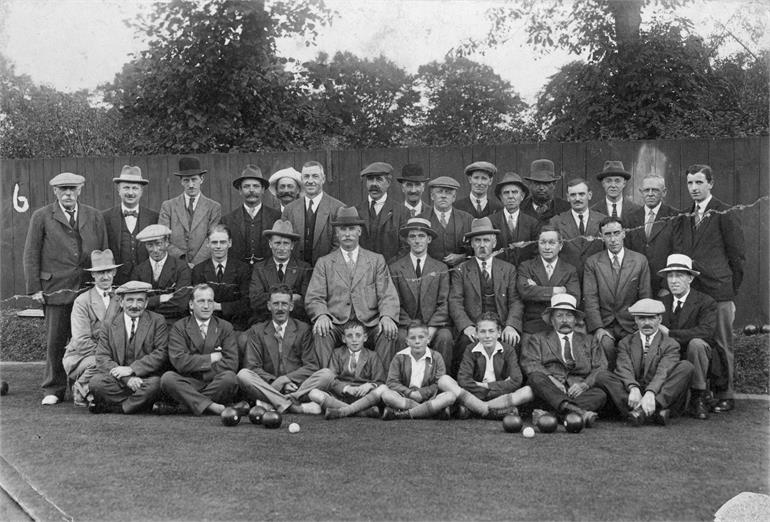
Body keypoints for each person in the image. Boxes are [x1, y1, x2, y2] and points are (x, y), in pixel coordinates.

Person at [23, 171, 108, 405]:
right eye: (63, 190)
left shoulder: (94, 216)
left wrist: (104, 283)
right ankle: (53, 388)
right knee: (56, 340)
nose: (68, 193)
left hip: (87, 287)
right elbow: (31, 253)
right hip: (55, 288)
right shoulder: (41, 216)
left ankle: (82, 385)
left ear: (80, 190)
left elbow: (103, 251)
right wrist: (35, 288)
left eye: (73, 189)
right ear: (55, 192)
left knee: (86, 338)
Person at [672, 164, 745, 413]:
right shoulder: (684, 216)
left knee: (723, 343)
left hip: (720, 290)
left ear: (711, 184)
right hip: (695, 290)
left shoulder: (725, 212)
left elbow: (737, 256)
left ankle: (727, 394)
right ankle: (703, 393)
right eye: (690, 183)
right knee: (699, 341)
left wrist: (729, 289)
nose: (694, 188)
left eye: (699, 182)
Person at [305, 207, 400, 370]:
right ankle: (328, 381)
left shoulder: (376, 260)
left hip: (369, 323)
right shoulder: (325, 262)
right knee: (321, 331)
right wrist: (321, 315)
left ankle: (380, 384)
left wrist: (387, 316)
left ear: (359, 232)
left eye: (351, 229)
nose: (347, 234)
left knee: (387, 331)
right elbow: (314, 296)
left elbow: (387, 295)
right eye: (343, 229)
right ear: (336, 233)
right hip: (337, 322)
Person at [594, 299, 694, 426]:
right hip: (632, 394)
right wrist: (633, 388)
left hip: (658, 392)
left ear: (659, 319)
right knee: (602, 376)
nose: (647, 323)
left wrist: (651, 393)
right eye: (642, 318)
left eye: (651, 318)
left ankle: (644, 410)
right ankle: (655, 414)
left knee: (686, 367)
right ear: (635, 320)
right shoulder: (625, 342)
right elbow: (624, 368)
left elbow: (663, 372)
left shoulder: (670, 344)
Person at [449, 217, 523, 375]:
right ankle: (464, 384)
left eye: (486, 240)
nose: (482, 245)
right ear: (471, 244)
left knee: (513, 340)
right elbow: (455, 301)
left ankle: (510, 383)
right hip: (473, 325)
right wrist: (466, 326)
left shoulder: (508, 269)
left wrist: (510, 325)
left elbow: (515, 301)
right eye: (477, 240)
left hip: (501, 324)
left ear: (494, 243)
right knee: (463, 342)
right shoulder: (461, 270)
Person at [521, 294, 607, 427]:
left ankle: (549, 415)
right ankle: (576, 412)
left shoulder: (589, 340)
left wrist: (584, 385)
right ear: (552, 320)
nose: (565, 320)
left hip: (577, 392)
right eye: (559, 316)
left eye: (569, 315)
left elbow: (601, 367)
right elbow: (530, 363)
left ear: (575, 320)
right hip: (549, 391)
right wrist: (553, 380)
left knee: (600, 394)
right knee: (535, 377)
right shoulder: (538, 339)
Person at [237, 285, 324, 414]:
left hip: (296, 386)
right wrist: (275, 382)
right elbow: (252, 366)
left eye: (284, 304)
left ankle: (272, 402)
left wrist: (286, 380)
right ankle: (292, 407)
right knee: (243, 375)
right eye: (276, 304)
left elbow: (311, 365)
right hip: (269, 385)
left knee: (326, 374)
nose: (280, 308)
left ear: (291, 306)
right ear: (269, 306)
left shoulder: (303, 329)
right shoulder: (257, 330)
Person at [158, 284, 240, 415]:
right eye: (201, 301)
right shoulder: (179, 327)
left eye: (210, 301)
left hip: (215, 381)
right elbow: (180, 362)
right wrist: (211, 358)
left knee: (230, 378)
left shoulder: (225, 327)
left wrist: (202, 371)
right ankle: (211, 406)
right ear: (191, 304)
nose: (206, 306)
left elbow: (231, 363)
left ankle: (186, 406)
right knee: (168, 379)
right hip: (189, 382)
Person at [583, 216, 652, 370]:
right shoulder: (593, 262)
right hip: (605, 324)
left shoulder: (640, 260)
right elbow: (590, 298)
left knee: (633, 351)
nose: (613, 239)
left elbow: (645, 297)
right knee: (605, 345)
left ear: (624, 233)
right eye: (608, 234)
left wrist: (641, 326)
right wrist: (598, 328)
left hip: (631, 324)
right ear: (601, 237)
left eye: (616, 233)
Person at [89, 281, 168, 414]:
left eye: (139, 301)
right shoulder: (109, 324)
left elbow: (161, 353)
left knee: (156, 384)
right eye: (130, 300)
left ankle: (117, 408)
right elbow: (102, 357)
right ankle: (140, 404)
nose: (134, 305)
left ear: (146, 303)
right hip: (118, 380)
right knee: (96, 383)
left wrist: (132, 369)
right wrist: (127, 379)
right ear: (121, 302)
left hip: (144, 379)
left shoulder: (157, 321)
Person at [657, 254, 717, 420]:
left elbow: (706, 332)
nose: (674, 281)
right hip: (670, 354)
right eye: (670, 276)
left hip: (696, 355)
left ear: (690, 278)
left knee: (696, 344)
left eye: (679, 276)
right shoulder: (662, 301)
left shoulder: (706, 302)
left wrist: (670, 333)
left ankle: (698, 396)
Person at [388, 217, 453, 367]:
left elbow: (444, 303)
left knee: (445, 337)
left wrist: (431, 329)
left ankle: (441, 379)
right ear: (407, 240)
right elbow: (394, 302)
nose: (417, 241)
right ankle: (404, 379)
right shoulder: (396, 268)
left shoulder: (441, 268)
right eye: (413, 236)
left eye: (421, 236)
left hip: (433, 324)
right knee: (398, 336)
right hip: (406, 325)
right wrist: (412, 328)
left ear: (429, 239)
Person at [62, 250, 122, 406]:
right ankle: (80, 388)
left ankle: (97, 392)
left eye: (108, 271)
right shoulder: (82, 301)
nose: (105, 276)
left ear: (114, 272)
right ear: (93, 275)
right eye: (100, 272)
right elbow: (81, 340)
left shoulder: (121, 298)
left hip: (111, 353)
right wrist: (107, 356)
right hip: (83, 356)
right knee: (102, 363)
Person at [447, 312, 533, 419]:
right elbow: (463, 380)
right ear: (476, 334)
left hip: (497, 396)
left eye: (491, 331)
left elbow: (516, 380)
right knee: (445, 380)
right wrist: (498, 386)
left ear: (499, 333)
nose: (487, 336)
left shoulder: (508, 350)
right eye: (482, 332)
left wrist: (487, 386)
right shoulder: (470, 349)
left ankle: (476, 409)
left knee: (528, 391)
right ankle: (491, 411)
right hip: (474, 394)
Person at [378, 320, 457, 421]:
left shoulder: (436, 357)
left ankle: (403, 414)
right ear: (407, 341)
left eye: (421, 337)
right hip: (406, 397)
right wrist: (410, 393)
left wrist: (422, 393)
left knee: (450, 396)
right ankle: (429, 411)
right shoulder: (399, 357)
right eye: (412, 338)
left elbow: (439, 383)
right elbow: (392, 382)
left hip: (429, 398)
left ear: (428, 339)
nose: (417, 341)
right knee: (387, 395)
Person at [308, 319, 387, 419]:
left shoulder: (372, 356)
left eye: (358, 335)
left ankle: (343, 411)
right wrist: (346, 388)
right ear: (344, 339)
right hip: (342, 396)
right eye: (350, 336)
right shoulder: (337, 354)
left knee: (383, 389)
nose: (354, 339)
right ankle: (361, 412)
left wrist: (370, 385)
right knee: (313, 393)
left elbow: (380, 381)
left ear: (365, 338)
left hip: (364, 397)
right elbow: (332, 379)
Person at [517, 225, 581, 337]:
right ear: (538, 244)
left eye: (552, 243)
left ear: (560, 245)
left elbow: (574, 298)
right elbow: (525, 292)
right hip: (534, 325)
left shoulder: (570, 270)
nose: (547, 247)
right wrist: (556, 291)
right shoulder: (526, 266)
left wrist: (537, 289)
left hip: (562, 325)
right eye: (543, 242)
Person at [191, 224, 252, 341]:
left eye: (222, 242)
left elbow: (246, 303)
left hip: (236, 325)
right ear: (208, 243)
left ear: (230, 243)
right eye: (214, 242)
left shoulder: (243, 269)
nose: (218, 246)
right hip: (207, 325)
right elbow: (196, 303)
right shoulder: (198, 270)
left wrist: (219, 306)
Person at [159, 156, 222, 268]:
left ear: (202, 179)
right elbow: (162, 239)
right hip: (175, 265)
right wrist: (181, 258)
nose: (191, 185)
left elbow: (212, 238)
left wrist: (195, 263)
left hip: (203, 265)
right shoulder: (168, 206)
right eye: (186, 180)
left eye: (194, 179)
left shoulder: (214, 207)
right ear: (181, 182)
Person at [102, 165, 159, 285]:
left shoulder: (153, 217)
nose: (130, 193)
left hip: (146, 279)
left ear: (141, 191)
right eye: (126, 188)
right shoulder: (105, 217)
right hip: (116, 280)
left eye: (135, 188)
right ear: (118, 190)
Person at [281, 161, 345, 265]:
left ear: (323, 179)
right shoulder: (289, 210)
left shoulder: (338, 208)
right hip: (296, 272)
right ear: (301, 180)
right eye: (306, 176)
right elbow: (284, 243)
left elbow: (339, 245)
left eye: (315, 176)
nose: (310, 181)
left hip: (326, 271)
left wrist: (323, 268)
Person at [249, 219, 312, 324]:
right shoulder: (259, 268)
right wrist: (292, 297)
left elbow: (306, 301)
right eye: (277, 243)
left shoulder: (304, 268)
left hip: (295, 322)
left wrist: (270, 297)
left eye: (286, 243)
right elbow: (255, 301)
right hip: (265, 321)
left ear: (292, 246)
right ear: (270, 244)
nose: (281, 248)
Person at [625, 175, 679, 296]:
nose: (650, 194)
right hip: (637, 286)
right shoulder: (631, 218)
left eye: (655, 190)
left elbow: (678, 252)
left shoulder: (675, 216)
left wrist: (667, 286)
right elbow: (627, 253)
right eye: (646, 190)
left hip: (664, 287)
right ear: (641, 192)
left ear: (664, 192)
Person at [221, 165, 281, 266]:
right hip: (238, 274)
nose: (251, 190)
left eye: (256, 186)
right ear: (240, 190)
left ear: (263, 190)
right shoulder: (227, 220)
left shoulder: (276, 217)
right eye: (246, 186)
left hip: (268, 273)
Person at [131, 224, 191, 325]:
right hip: (145, 323)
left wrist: (149, 304)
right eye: (150, 245)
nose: (155, 250)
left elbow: (181, 304)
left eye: (159, 244)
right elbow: (134, 302)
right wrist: (159, 299)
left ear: (167, 242)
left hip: (174, 323)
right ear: (145, 246)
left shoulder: (181, 268)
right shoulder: (138, 270)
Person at [549, 178, 606, 278]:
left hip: (597, 278)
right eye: (573, 195)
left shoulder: (603, 221)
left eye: (581, 194)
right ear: (567, 197)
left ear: (589, 195)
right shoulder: (556, 222)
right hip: (567, 279)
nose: (577, 199)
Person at [355, 161, 409, 262]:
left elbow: (405, 247)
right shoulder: (356, 211)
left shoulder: (401, 212)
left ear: (388, 183)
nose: (374, 184)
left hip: (391, 271)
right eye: (370, 179)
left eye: (379, 179)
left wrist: (388, 268)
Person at [488, 171, 539, 266]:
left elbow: (536, 255)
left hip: (524, 274)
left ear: (522, 196)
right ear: (501, 197)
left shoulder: (532, 223)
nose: (510, 196)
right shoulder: (490, 221)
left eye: (515, 192)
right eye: (506, 193)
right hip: (498, 274)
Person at [424, 176, 474, 267]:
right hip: (431, 274)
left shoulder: (467, 219)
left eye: (448, 193)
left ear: (454, 197)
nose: (443, 196)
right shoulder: (422, 218)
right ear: (432, 196)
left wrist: (462, 257)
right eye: (439, 192)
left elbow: (476, 247)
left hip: (460, 272)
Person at [520, 159, 571, 223]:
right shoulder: (520, 208)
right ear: (530, 184)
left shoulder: (566, 209)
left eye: (546, 183)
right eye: (537, 183)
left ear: (554, 184)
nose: (541, 188)